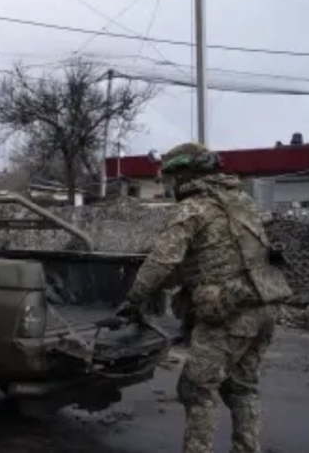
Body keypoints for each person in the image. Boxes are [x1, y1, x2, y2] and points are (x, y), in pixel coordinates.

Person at [115, 142, 292, 453]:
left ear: (185, 174)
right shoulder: (241, 201)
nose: (169, 185)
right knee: (242, 387)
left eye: (170, 177)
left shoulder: (194, 208)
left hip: (228, 313)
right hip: (264, 306)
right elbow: (224, 252)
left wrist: (132, 301)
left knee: (196, 388)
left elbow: (162, 261)